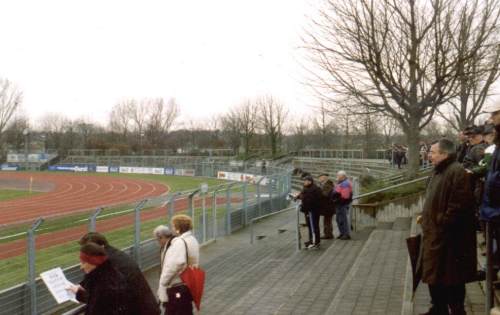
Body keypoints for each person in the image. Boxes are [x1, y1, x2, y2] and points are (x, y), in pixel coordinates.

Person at [419, 139, 476, 315]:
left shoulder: (457, 172)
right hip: (434, 233)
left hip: (450, 237)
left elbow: (459, 205)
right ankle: (438, 308)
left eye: (433, 152)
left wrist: (442, 222)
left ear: (445, 154)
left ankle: (457, 310)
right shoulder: (437, 172)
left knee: (452, 278)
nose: (429, 155)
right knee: (434, 275)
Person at [79, 232, 160, 315]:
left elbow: (103, 298)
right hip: (145, 306)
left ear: (100, 247)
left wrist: (79, 293)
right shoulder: (113, 256)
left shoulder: (110, 263)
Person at [67, 243, 132, 315]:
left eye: (83, 263)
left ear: (93, 263)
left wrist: (79, 293)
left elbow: (98, 304)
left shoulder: (103, 285)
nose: (81, 267)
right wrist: (79, 292)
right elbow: (98, 300)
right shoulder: (112, 274)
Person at [158, 215, 200, 315]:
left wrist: (163, 282)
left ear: (178, 228)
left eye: (173, 226)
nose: (172, 228)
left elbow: (177, 264)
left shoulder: (180, 242)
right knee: (186, 310)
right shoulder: (192, 240)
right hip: (188, 284)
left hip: (177, 286)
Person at [296, 175, 322, 249]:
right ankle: (312, 240)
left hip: (313, 210)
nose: (304, 182)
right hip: (309, 210)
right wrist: (298, 196)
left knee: (314, 226)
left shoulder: (314, 189)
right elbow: (304, 196)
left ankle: (315, 242)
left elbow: (309, 199)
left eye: (305, 181)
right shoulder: (307, 188)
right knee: (311, 226)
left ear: (310, 181)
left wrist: (301, 197)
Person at [333, 171, 353, 240]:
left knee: (343, 219)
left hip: (342, 204)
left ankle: (346, 234)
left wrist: (337, 200)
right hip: (339, 204)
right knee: (338, 219)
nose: (337, 177)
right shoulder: (341, 182)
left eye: (338, 176)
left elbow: (345, 196)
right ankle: (342, 233)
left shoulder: (345, 183)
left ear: (343, 176)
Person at [318, 173, 335, 239]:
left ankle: (328, 234)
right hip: (327, 206)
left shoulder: (328, 185)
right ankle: (328, 234)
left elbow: (325, 194)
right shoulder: (325, 184)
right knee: (327, 220)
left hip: (328, 206)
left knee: (327, 221)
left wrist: (319, 191)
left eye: (320, 178)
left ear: (324, 178)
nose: (319, 179)